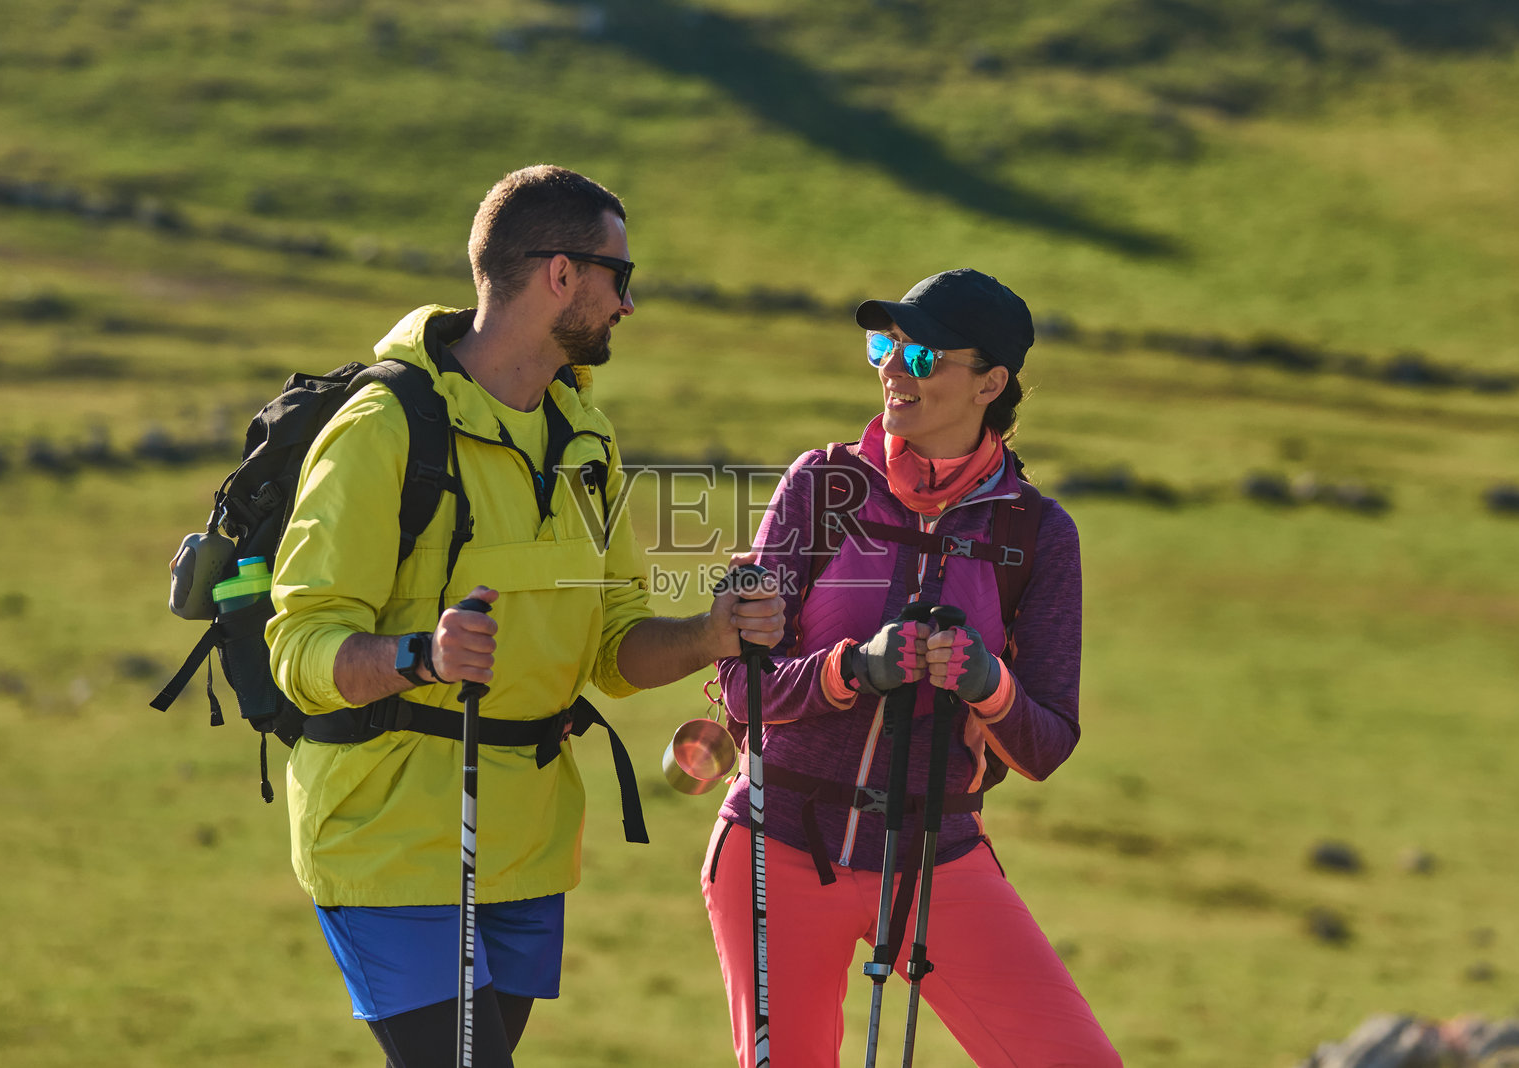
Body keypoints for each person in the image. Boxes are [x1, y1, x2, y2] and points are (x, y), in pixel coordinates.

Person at [266, 164, 785, 1068]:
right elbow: (300, 643)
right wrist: (421, 655)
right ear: (559, 275)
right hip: (388, 836)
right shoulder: (385, 427)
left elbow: (615, 644)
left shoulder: (586, 438)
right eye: (619, 278)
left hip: (527, 845)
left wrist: (711, 633)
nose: (627, 305)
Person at [703, 268, 1122, 1066]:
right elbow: (738, 683)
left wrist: (983, 681)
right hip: (780, 843)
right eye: (884, 346)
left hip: (939, 854)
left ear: (991, 383)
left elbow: (1046, 743)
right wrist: (852, 668)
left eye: (924, 356)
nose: (895, 369)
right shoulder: (821, 485)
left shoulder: (1038, 534)